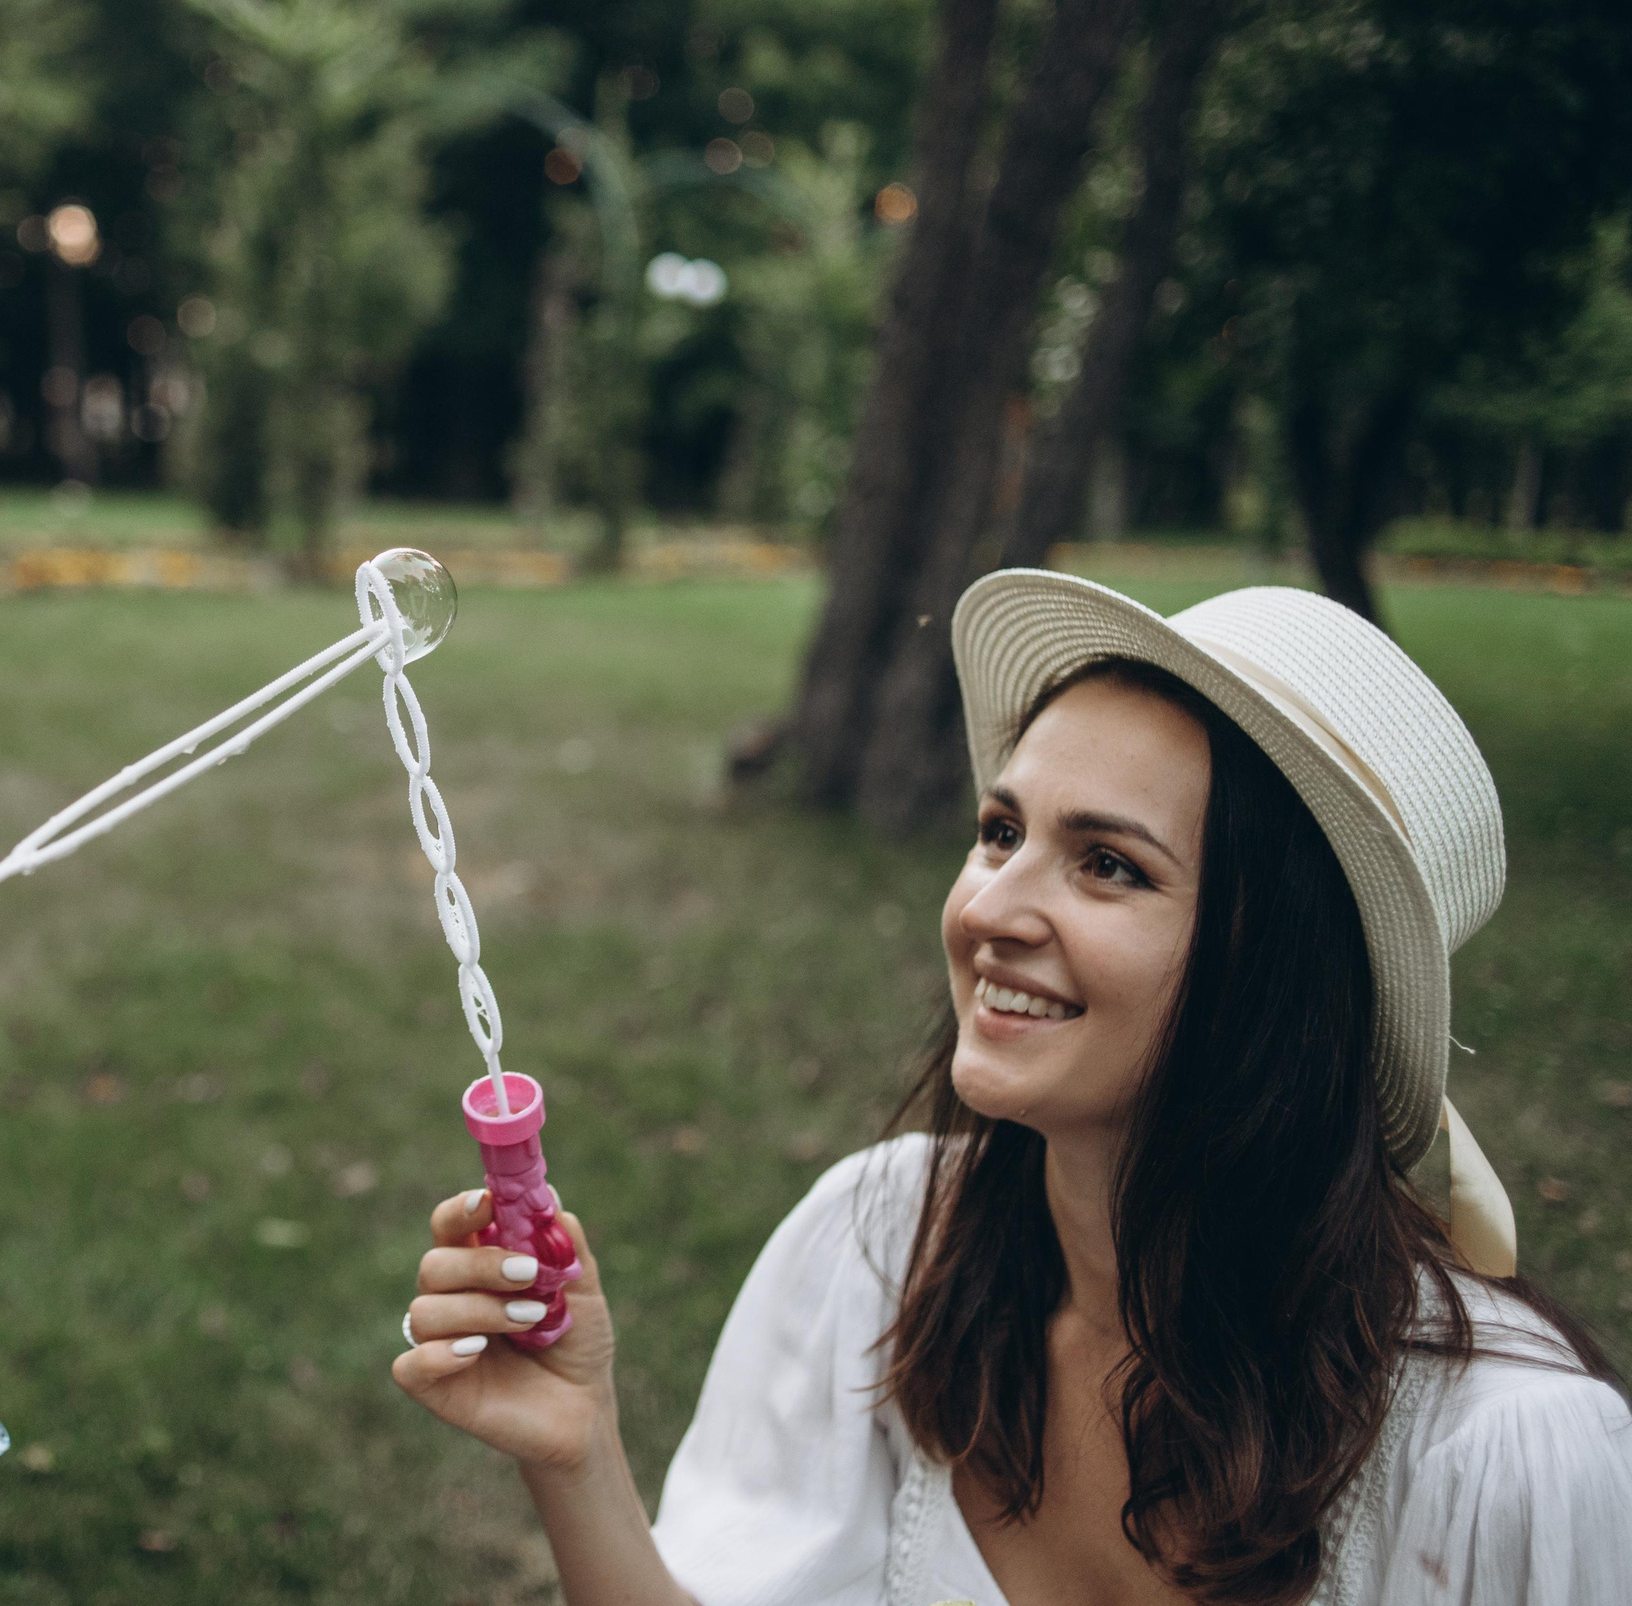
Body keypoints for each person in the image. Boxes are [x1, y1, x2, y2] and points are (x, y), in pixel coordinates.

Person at [394, 571, 1632, 1605]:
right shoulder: (884, 1248)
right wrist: (578, 1449)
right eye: (999, 830)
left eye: (1106, 864)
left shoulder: (1507, 1463)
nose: (986, 908)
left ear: (1279, 974)